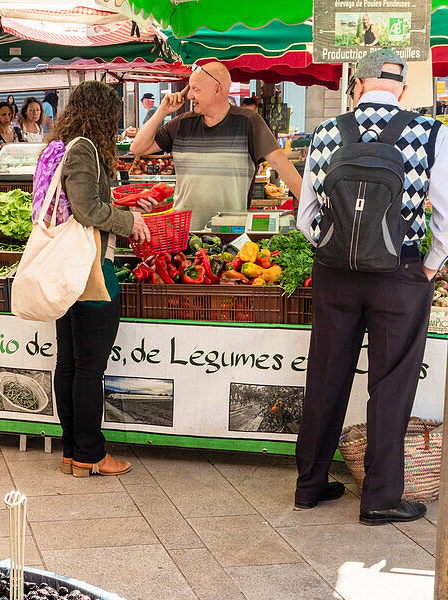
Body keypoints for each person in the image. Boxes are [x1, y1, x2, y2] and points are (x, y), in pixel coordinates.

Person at [294, 50, 447, 525]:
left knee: (325, 376)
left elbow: (306, 219)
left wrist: (336, 252)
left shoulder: (326, 133)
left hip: (335, 273)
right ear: (401, 87)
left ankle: (309, 485)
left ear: (356, 84)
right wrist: (429, 267)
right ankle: (380, 498)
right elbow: (445, 216)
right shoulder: (429, 133)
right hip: (400, 275)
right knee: (392, 384)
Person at [43, 81, 150, 478]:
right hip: (89, 270)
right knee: (88, 368)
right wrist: (129, 220)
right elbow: (86, 207)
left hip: (68, 270)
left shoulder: (63, 145)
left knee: (69, 363)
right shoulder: (85, 148)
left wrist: (122, 203)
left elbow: (76, 202)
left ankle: (73, 451)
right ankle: (91, 453)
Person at [130, 62, 302, 231]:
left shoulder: (248, 121)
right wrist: (162, 111)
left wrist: (313, 211)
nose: (189, 96)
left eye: (196, 89)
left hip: (231, 235)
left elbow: (281, 164)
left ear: (217, 89)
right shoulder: (181, 124)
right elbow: (137, 148)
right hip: (184, 234)